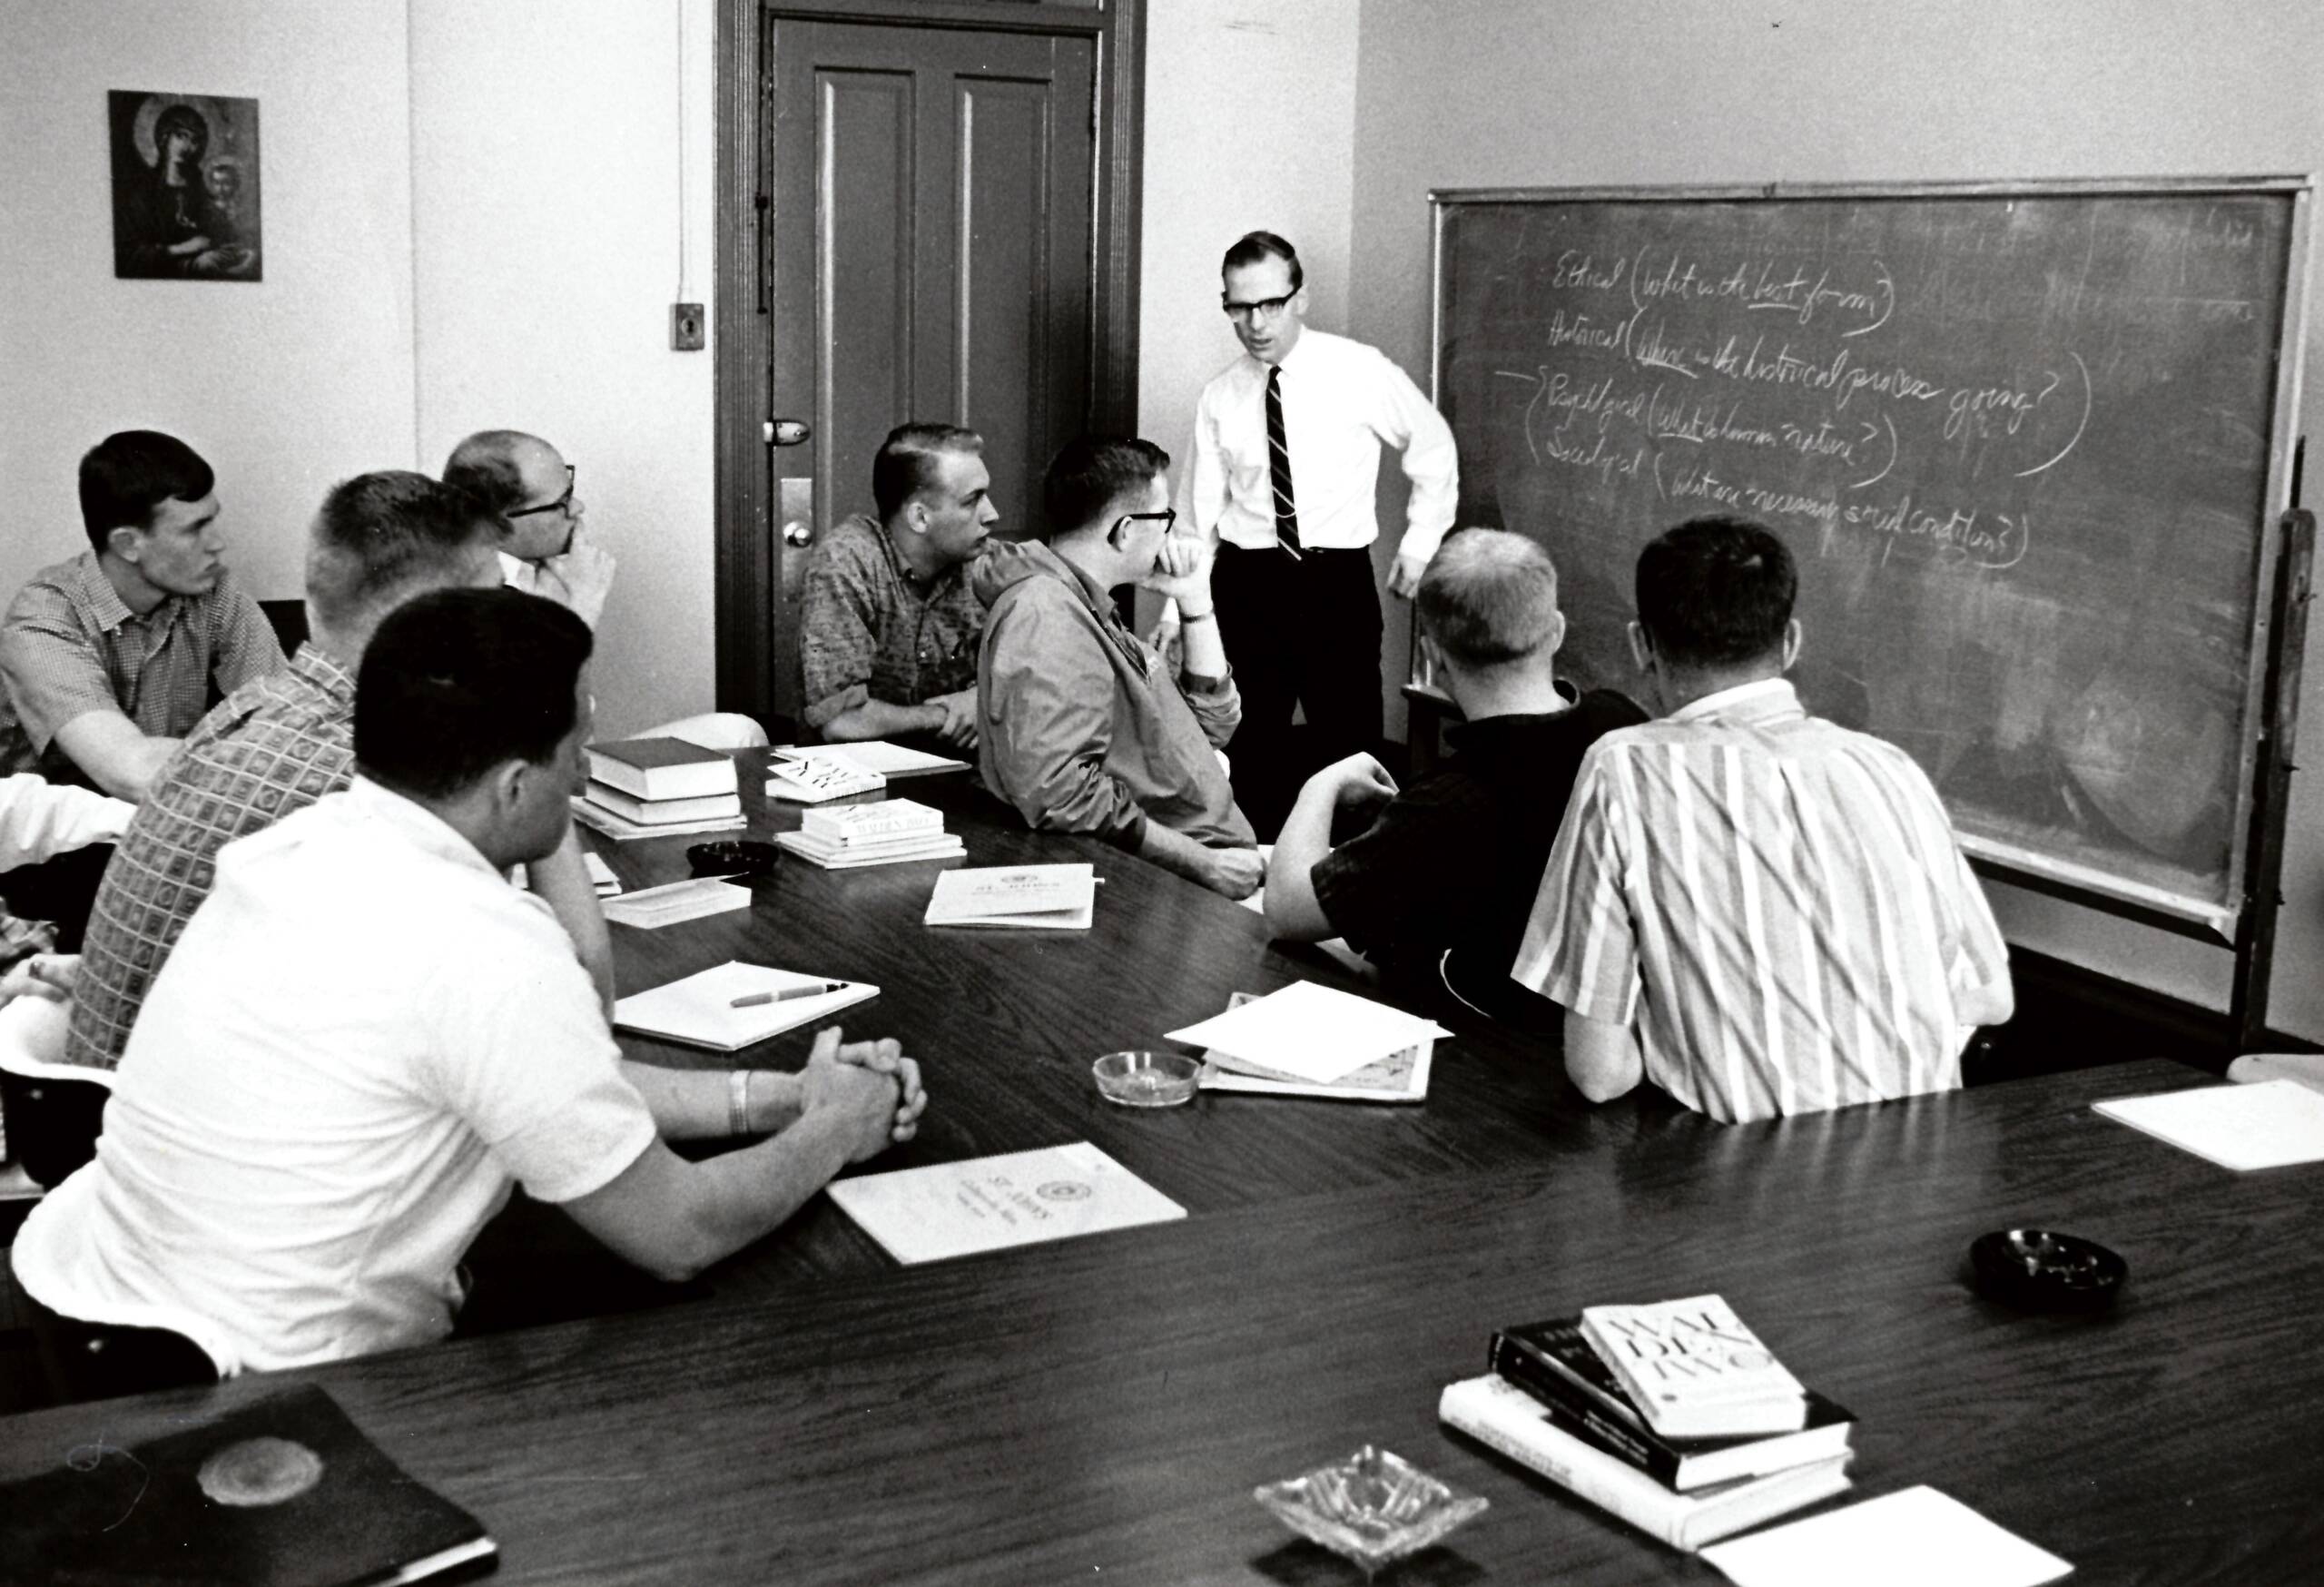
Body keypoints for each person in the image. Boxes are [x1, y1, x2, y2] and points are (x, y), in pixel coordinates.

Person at [13, 587, 925, 1375]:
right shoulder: (491, 949)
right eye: (581, 744)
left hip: (133, 1326)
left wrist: (780, 1097)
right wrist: (834, 1129)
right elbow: (677, 1233)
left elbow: (539, 1080)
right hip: (294, 1402)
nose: (585, 771)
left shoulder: (289, 850)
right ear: (517, 784)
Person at [1511, 515, 2014, 1123]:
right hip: (1928, 1178)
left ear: (1641, 645)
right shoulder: (1890, 768)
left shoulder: (1624, 771)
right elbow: (1991, 998)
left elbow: (1598, 1074)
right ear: (1792, 642)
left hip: (1751, 1191)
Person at [63, 470, 536, 1072]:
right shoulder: (370, 779)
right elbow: (549, 1016)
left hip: (120, 1107)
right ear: (439, 630)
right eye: (497, 600)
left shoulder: (252, 709)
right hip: (204, 1140)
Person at [1263, 530, 1644, 1020]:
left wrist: (1320, 785)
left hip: (1485, 1041)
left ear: (1434, 657)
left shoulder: (1445, 804)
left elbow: (1285, 909)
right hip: (1605, 1026)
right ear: (1556, 632)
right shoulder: (1624, 724)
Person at [1185, 230, 1458, 834]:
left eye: (1270, 304)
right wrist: (1187, 611)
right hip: (1247, 582)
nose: (1255, 322)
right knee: (1246, 744)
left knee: (1351, 744)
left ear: (1299, 298)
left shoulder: (1358, 369)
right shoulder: (1221, 397)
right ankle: (1247, 886)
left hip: (1334, 580)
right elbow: (1199, 516)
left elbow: (1433, 446)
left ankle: (1349, 893)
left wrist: (1420, 544)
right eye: (1239, 306)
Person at [975, 436, 1263, 900]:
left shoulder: (1083, 604)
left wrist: (1194, 601)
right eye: (1165, 518)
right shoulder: (1048, 614)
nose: (1170, 534)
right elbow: (1061, 793)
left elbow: (1212, 725)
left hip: (1207, 858)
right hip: (1173, 879)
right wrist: (1206, 864)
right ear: (1125, 530)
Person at [0, 429, 285, 802]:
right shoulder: (44, 620)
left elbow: (284, 722)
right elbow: (131, 772)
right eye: (194, 528)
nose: (218, 543)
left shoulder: (211, 594)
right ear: (128, 544)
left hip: (151, 817)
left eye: (212, 519)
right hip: (50, 844)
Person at [799, 423, 994, 751]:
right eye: (972, 500)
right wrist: (945, 713)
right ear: (919, 518)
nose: (991, 514)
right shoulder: (848, 561)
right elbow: (841, 721)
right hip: (855, 780)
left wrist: (981, 699)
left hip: (957, 776)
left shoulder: (985, 562)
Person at [442, 429, 616, 627]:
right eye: (561, 503)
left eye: (570, 492)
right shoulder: (461, 603)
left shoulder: (531, 575)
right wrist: (584, 605)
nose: (578, 508)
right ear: (496, 523)